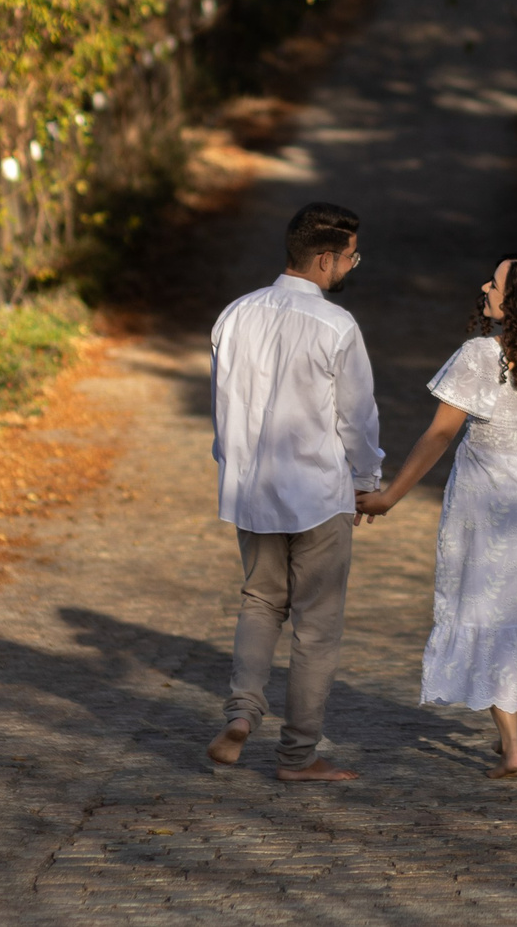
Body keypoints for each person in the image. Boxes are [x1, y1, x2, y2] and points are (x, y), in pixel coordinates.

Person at [357, 253, 517, 778]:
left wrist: (389, 497)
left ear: (516, 300)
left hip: (493, 499)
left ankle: (510, 742)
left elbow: (440, 434)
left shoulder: (479, 355)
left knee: (489, 611)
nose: (484, 287)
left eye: (494, 283)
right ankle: (516, 733)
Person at [205, 200, 383, 783]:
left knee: (259, 603)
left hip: (253, 490)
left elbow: (221, 407)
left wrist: (232, 467)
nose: (354, 267)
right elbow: (356, 419)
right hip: (317, 492)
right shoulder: (337, 326)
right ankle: (298, 756)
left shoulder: (234, 315)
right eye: (352, 257)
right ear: (326, 258)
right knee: (316, 625)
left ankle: (241, 712)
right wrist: (365, 482)